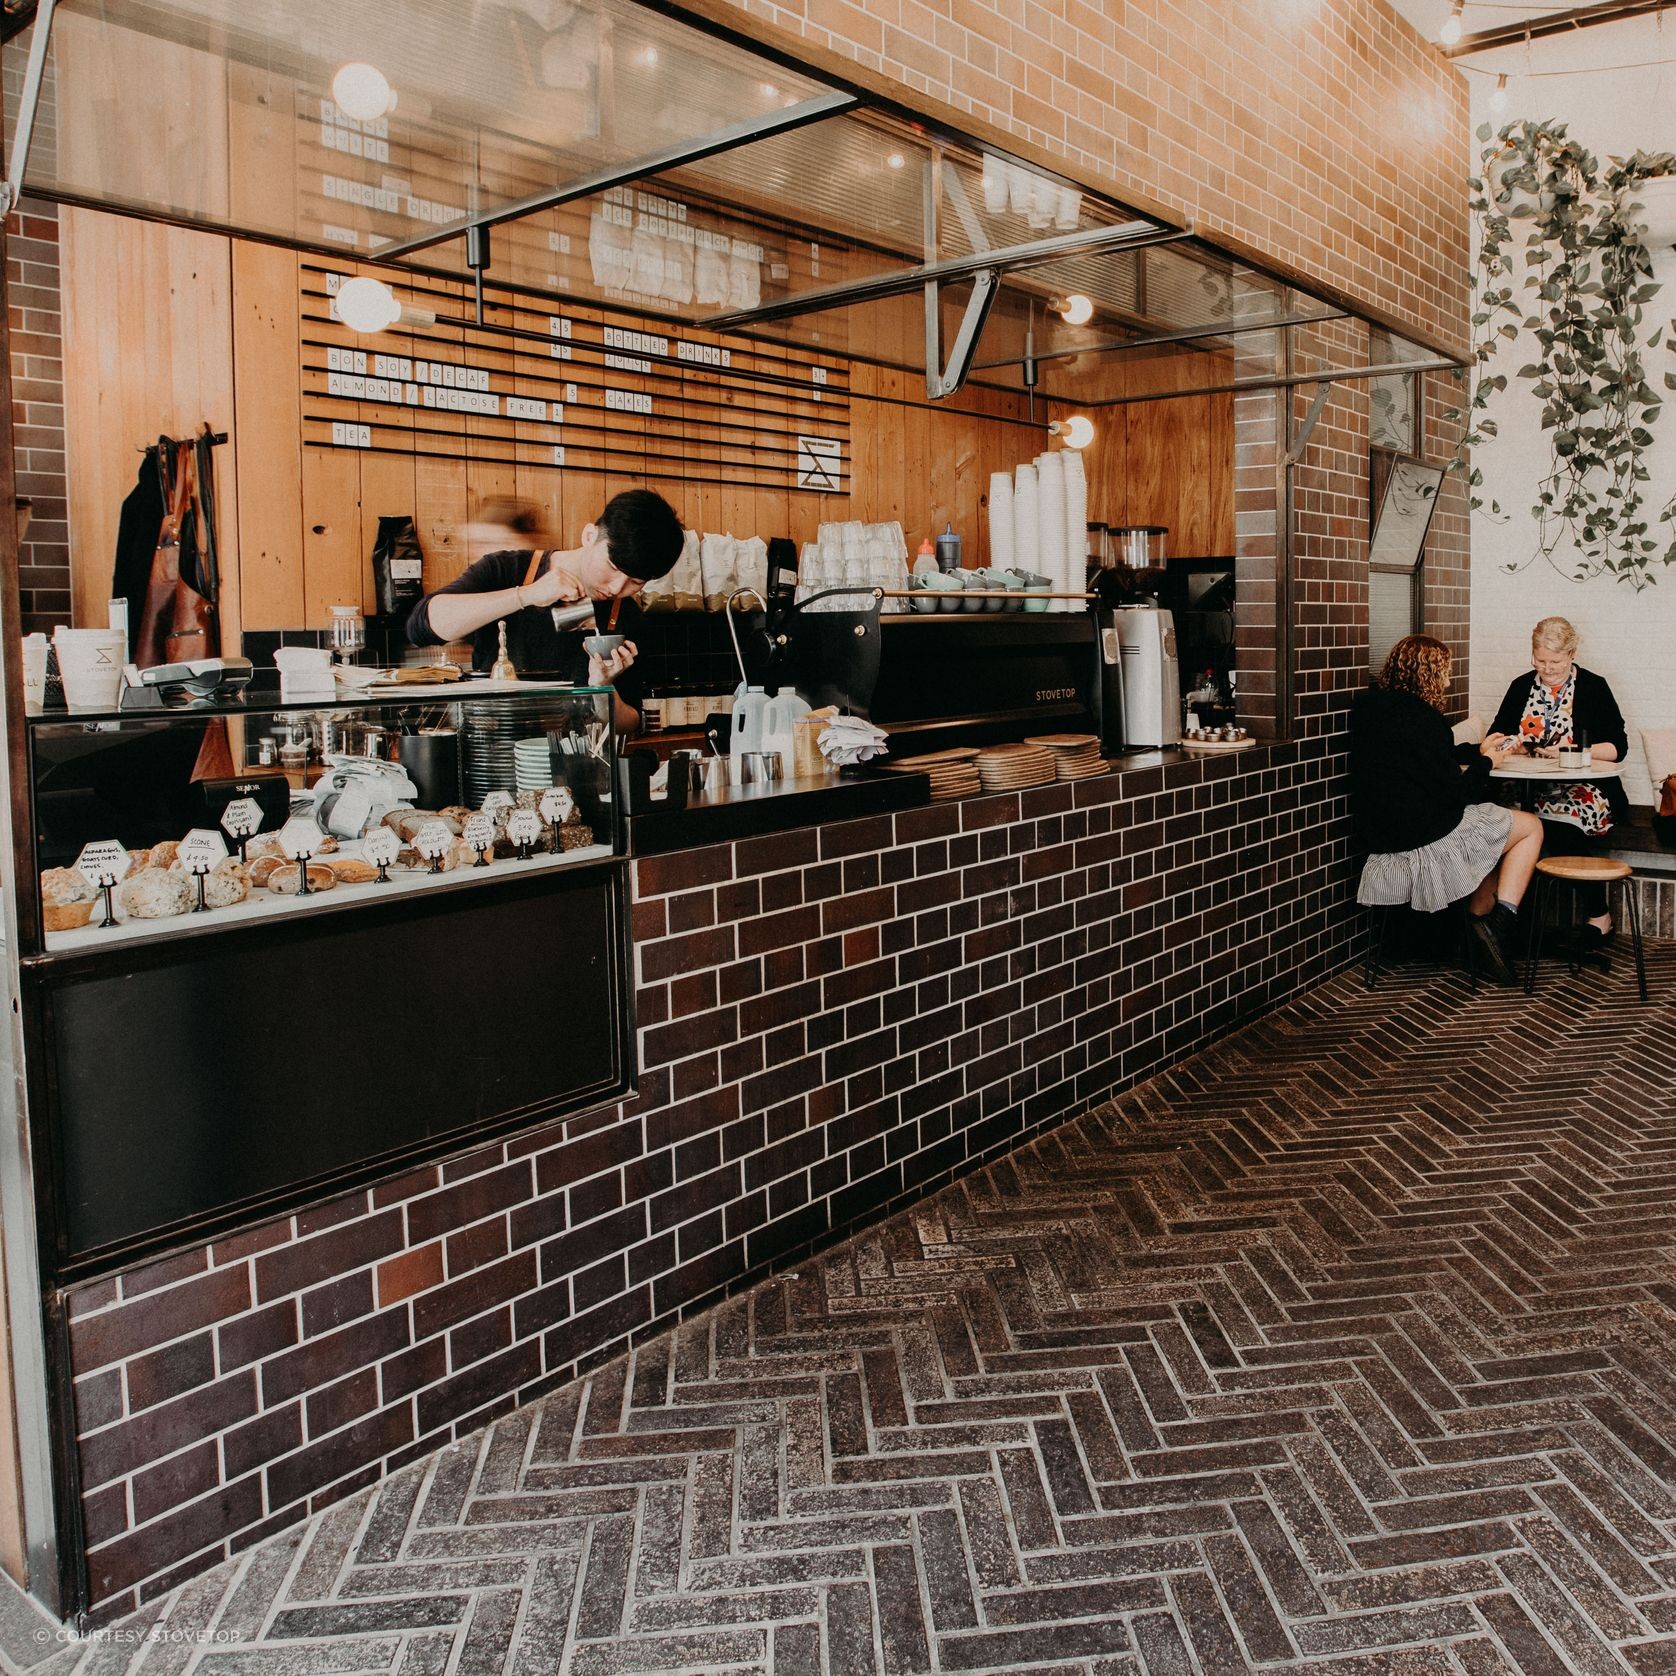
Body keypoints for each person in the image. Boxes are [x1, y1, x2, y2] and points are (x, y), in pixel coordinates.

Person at [406, 489, 683, 733]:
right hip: (493, 760)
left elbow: (629, 725)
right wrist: (528, 594)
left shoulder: (627, 616)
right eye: (612, 568)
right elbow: (423, 625)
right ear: (589, 536)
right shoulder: (507, 569)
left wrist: (602, 688)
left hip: (577, 771)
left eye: (636, 582)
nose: (616, 587)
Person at [1351, 634, 1543, 984]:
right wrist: (1488, 762)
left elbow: (1423, 759)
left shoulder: (1369, 710)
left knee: (1494, 835)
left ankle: (1479, 927)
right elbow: (1458, 794)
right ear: (1429, 675)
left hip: (1379, 830)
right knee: (1529, 827)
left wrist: (1478, 750)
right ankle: (1496, 923)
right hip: (1422, 832)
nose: (1449, 681)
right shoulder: (1426, 718)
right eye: (1445, 673)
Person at [1489, 615, 1628, 949]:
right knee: (1503, 821)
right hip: (1527, 787)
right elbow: (1495, 735)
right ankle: (1508, 916)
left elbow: (1618, 748)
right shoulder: (1521, 686)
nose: (1547, 669)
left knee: (1556, 823)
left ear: (1572, 654)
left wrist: (1575, 750)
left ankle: (1597, 913)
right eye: (1540, 661)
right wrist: (1510, 743)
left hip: (1583, 789)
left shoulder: (1594, 687)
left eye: (1556, 661)